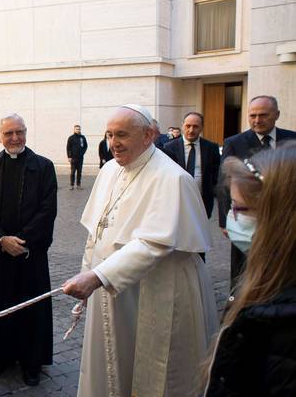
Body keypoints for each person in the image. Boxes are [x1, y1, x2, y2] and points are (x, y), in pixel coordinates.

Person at [62, 104, 218, 397]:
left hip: (156, 291)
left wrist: (97, 277)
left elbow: (154, 243)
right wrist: (88, 272)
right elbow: (96, 230)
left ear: (148, 135)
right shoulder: (109, 170)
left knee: (152, 371)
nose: (113, 143)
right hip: (110, 289)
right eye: (109, 135)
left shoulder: (173, 178)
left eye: (121, 134)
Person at [0, 114, 57, 386]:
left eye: (19, 132)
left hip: (30, 255)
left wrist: (22, 241)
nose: (15, 138)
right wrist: (1, 239)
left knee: (31, 310)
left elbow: (47, 210)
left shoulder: (43, 166)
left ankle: (31, 363)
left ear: (26, 133)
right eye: (9, 134)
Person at [204, 143, 296, 395]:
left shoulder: (282, 322)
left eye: (240, 209)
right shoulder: (267, 277)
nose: (233, 218)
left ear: (280, 217)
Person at [218, 95, 296, 287]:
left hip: (284, 219)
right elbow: (224, 183)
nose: (257, 120)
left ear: (276, 115)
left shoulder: (292, 140)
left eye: (263, 115)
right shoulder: (234, 142)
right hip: (246, 217)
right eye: (252, 115)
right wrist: (224, 221)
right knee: (243, 267)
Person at [163, 112, 220, 219]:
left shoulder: (211, 148)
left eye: (195, 126)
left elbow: (216, 172)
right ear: (182, 126)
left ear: (202, 128)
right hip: (177, 201)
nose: (191, 130)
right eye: (188, 126)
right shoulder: (169, 147)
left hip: (202, 202)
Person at [66, 124, 87, 190]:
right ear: (74, 130)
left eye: (79, 129)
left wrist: (82, 153)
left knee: (79, 172)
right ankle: (71, 185)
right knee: (73, 172)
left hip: (80, 158)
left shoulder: (82, 137)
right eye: (77, 129)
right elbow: (68, 148)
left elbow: (85, 146)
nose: (78, 130)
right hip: (73, 158)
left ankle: (78, 185)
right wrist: (69, 156)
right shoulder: (71, 138)